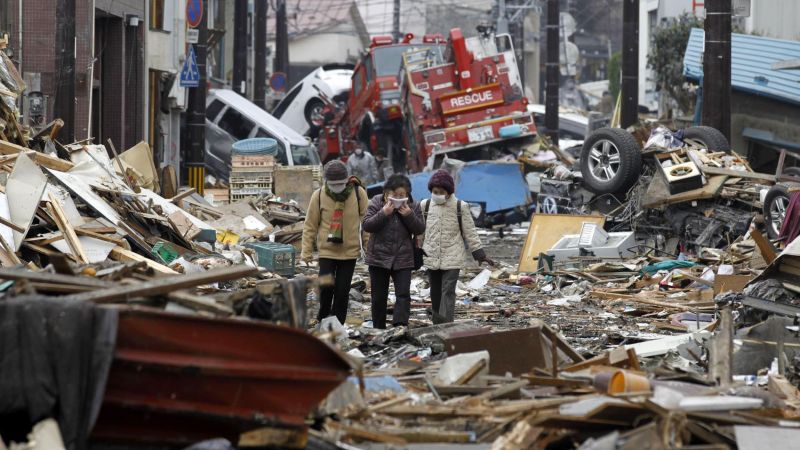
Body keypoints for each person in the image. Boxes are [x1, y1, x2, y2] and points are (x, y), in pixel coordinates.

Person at [421, 169, 494, 324]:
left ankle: (446, 323)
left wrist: (480, 254)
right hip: (431, 256)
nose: (438, 195)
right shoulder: (425, 205)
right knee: (435, 292)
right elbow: (420, 232)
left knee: (447, 291)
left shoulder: (460, 206)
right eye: (435, 191)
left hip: (453, 256)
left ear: (449, 192)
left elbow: (470, 232)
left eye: (442, 192)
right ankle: (437, 323)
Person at [301, 160, 369, 325]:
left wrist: (368, 245)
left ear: (346, 180)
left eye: (340, 183)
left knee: (342, 291)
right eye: (333, 184)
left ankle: (337, 323)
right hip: (327, 251)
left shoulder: (358, 193)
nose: (337, 187)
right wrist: (306, 251)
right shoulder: (318, 196)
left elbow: (367, 223)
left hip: (350, 252)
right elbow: (310, 225)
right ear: (326, 182)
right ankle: (323, 318)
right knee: (326, 287)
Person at [362, 174, 425, 328]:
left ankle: (400, 326)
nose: (398, 198)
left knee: (403, 295)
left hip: (403, 257)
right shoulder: (377, 202)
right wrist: (384, 213)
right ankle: (378, 327)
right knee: (378, 297)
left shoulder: (413, 205)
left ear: (407, 193)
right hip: (379, 257)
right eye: (394, 195)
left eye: (401, 195)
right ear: (386, 193)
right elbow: (367, 225)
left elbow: (420, 228)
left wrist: (409, 215)